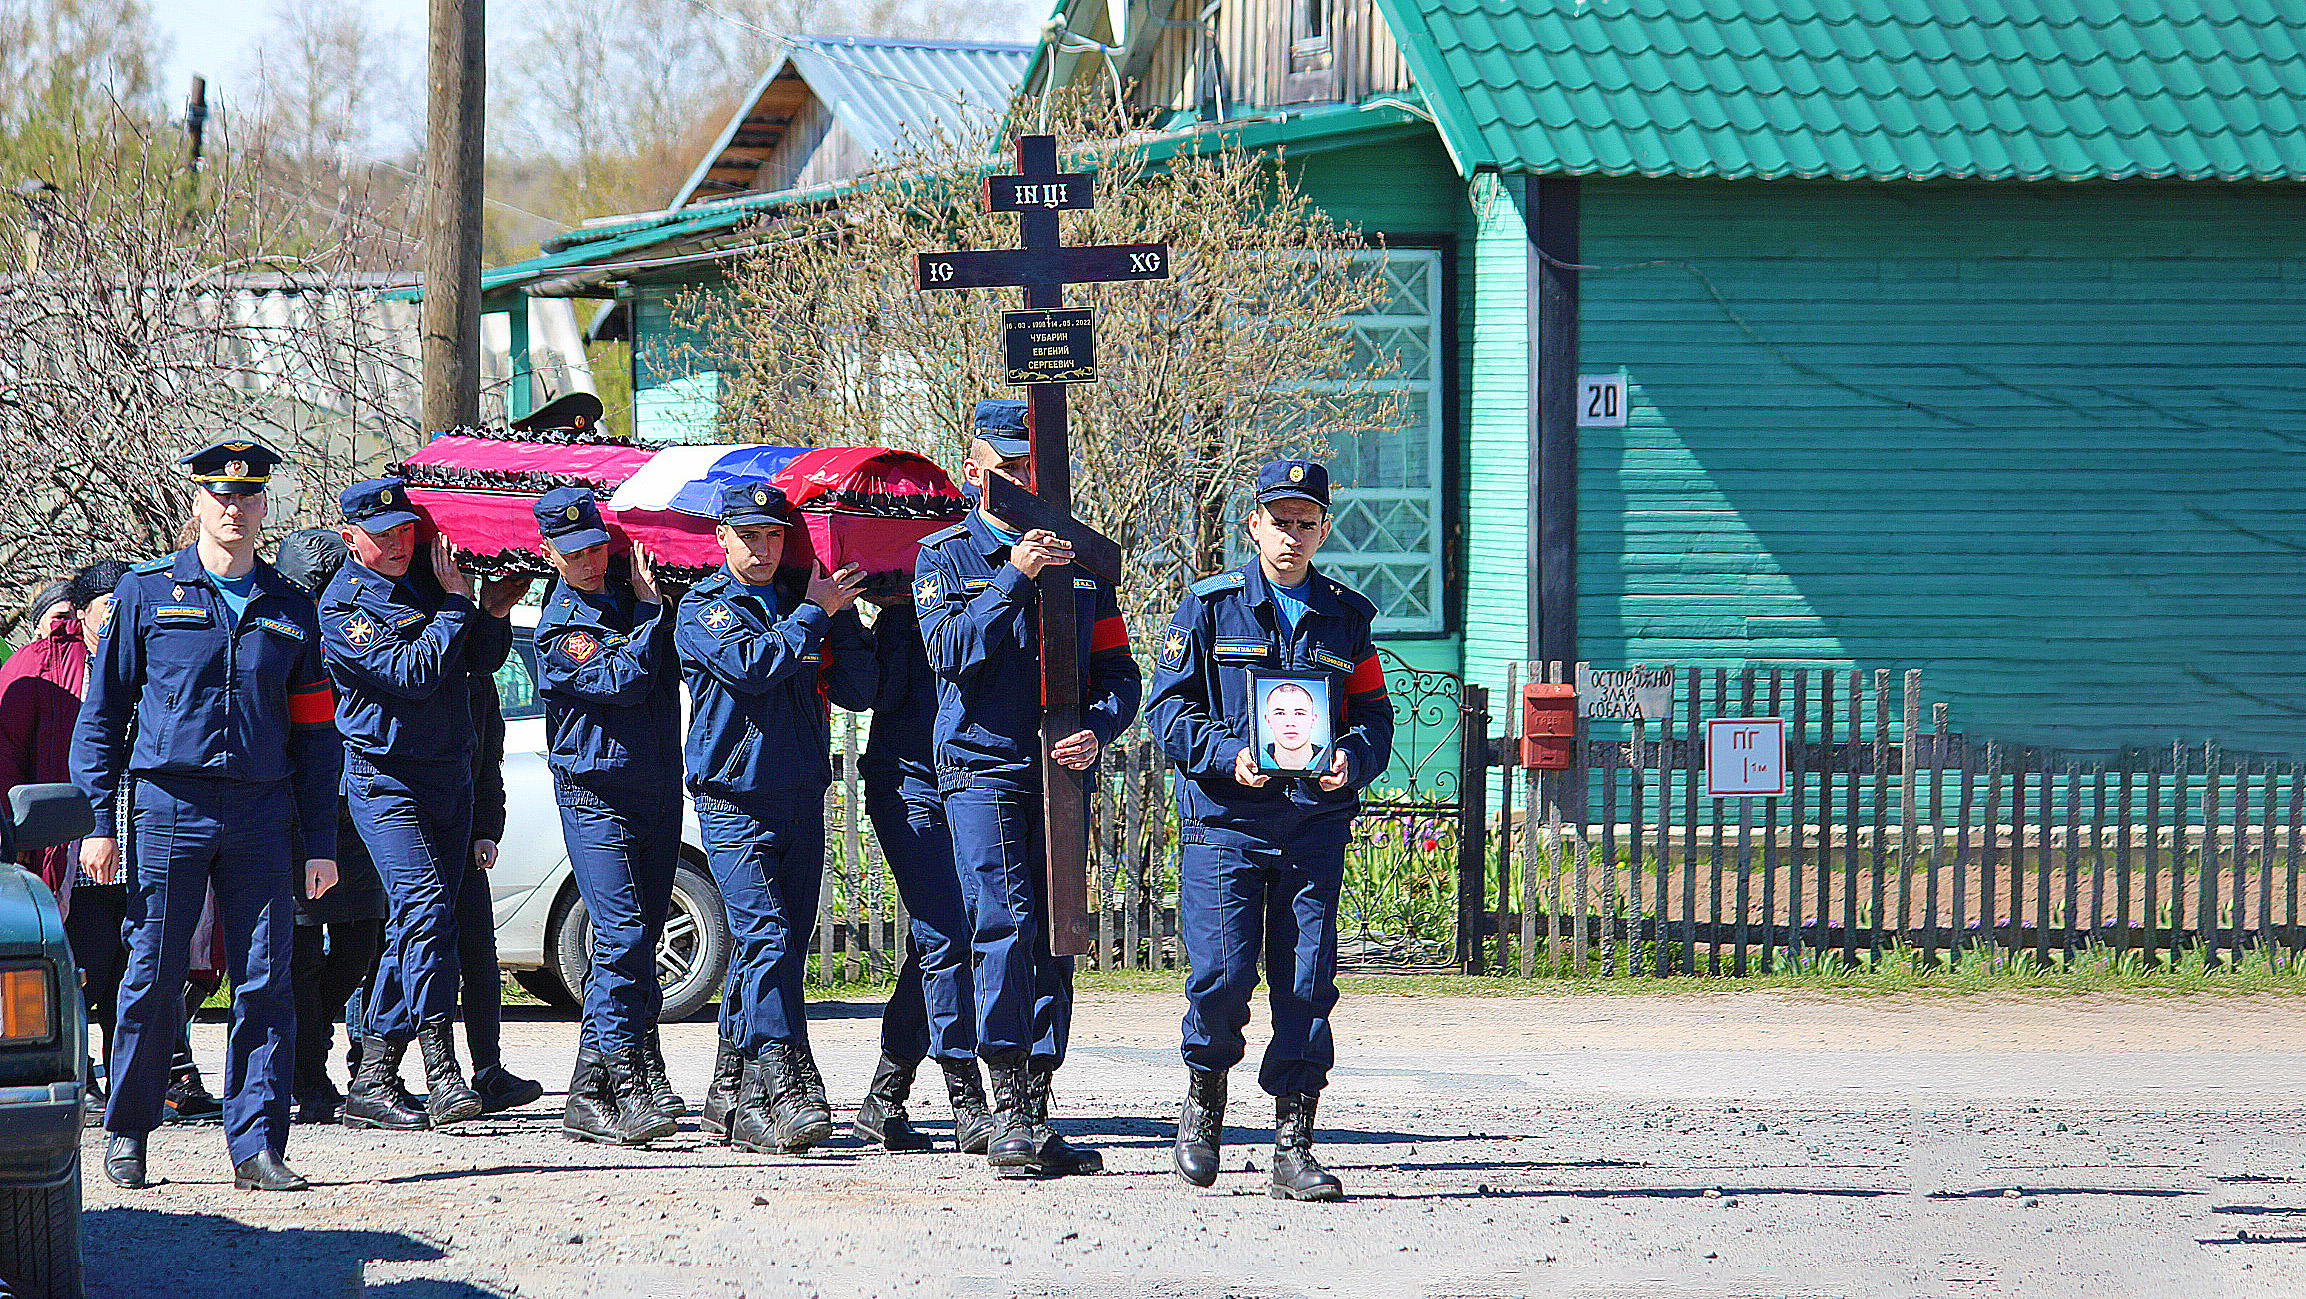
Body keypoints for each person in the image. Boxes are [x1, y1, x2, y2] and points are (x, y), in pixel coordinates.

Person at [71, 438, 343, 1192]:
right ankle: (128, 1129)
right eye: (220, 495)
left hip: (261, 812)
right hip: (168, 806)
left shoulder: (291, 609)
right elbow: (102, 717)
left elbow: (317, 737)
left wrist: (318, 840)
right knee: (152, 975)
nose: (234, 506)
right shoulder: (146, 594)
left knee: (266, 979)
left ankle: (256, 1145)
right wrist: (99, 820)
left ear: (263, 507)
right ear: (196, 502)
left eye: (248, 495)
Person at [1146, 458, 1394, 1202]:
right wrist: (1228, 755)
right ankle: (1204, 1101)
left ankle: (1294, 1141)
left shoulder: (1347, 619)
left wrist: (1349, 759)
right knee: (1220, 976)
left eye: (1305, 522)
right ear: (1253, 523)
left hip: (1313, 826)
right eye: (1278, 520)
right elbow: (1166, 710)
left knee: (1308, 982)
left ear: (1324, 530)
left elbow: (1375, 718)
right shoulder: (1208, 607)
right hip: (1226, 822)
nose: (1291, 535)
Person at [913, 398, 1141, 1177]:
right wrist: (1014, 575)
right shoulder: (944, 557)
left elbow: (1120, 672)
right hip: (981, 767)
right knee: (1004, 926)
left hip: (1060, 771)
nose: (1016, 478)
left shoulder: (1082, 563)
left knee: (1059, 933)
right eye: (1004, 465)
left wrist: (1099, 729)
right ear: (973, 467)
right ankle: (1004, 1103)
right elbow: (949, 651)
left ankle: (1037, 1106)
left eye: (1027, 465)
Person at [675, 481, 872, 1155]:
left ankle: (732, 1096)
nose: (762, 550)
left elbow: (859, 689)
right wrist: (815, 614)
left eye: (774, 536)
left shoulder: (803, 603)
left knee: (778, 945)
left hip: (799, 795)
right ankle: (789, 1082)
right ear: (722, 538)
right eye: (750, 536)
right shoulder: (704, 608)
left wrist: (841, 613)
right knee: (768, 939)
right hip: (733, 801)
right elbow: (752, 666)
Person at [322, 477, 522, 1132]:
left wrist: (491, 610)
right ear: (351, 539)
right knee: (427, 912)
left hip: (450, 776)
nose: (399, 544)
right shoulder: (344, 605)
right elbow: (411, 672)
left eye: (406, 530)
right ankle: (439, 1067)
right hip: (386, 780)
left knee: (418, 926)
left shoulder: (434, 579)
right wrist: (462, 607)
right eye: (383, 536)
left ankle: (375, 1076)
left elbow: (479, 663)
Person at [528, 487, 684, 1145]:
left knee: (639, 941)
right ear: (549, 554)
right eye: (574, 552)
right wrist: (651, 613)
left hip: (653, 788)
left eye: (596, 545)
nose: (590, 560)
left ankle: (590, 1094)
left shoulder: (630, 593)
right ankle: (625, 1083)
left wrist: (653, 604)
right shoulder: (558, 628)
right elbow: (621, 677)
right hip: (596, 797)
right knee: (619, 937)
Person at [851, 588, 993, 1154]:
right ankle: (966, 1098)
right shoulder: (905, 612)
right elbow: (869, 693)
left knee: (942, 938)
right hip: (907, 786)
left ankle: (885, 1093)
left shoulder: (998, 596)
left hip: (972, 785)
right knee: (945, 934)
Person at [272, 528, 390, 1126]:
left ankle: (334, 1056)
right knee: (299, 955)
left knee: (359, 943)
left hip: (357, 805)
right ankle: (307, 1074)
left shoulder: (359, 621)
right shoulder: (282, 632)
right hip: (296, 809)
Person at [1258, 681, 1327, 772]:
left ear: (1313, 720)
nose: (1290, 722)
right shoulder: (1253, 762)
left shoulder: (1331, 761)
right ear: (1268, 720)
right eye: (1280, 713)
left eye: (1299, 713)